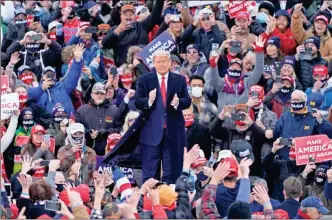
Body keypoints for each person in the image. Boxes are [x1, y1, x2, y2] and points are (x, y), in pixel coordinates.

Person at [134, 50, 191, 184]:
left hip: (173, 133)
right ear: (153, 63)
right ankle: (148, 201)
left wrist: (179, 102)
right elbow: (137, 102)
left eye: (164, 61)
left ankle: (170, 201)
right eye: (158, 62)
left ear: (170, 63)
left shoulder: (180, 79)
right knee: (149, 174)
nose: (161, 64)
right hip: (151, 133)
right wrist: (148, 100)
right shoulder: (144, 80)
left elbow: (187, 100)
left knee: (171, 174)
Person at [204, 36, 265, 112]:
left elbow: (258, 71)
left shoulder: (247, 82)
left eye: (237, 67)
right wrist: (213, 66)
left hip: (242, 120)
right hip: (223, 121)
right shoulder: (222, 83)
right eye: (233, 67)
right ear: (228, 69)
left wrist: (259, 52)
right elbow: (213, 79)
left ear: (241, 70)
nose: (235, 69)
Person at [75, 82, 132, 156]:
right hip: (87, 154)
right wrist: (88, 132)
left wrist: (103, 132)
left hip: (109, 152)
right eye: (97, 93)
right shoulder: (81, 110)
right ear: (92, 94)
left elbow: (120, 128)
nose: (99, 95)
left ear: (105, 95)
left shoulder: (114, 110)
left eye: (102, 93)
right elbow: (76, 129)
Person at [273, 90, 332, 160]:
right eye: (293, 99)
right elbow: (276, 136)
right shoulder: (285, 116)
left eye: (297, 100)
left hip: (306, 159)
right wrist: (289, 142)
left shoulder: (313, 115)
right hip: (286, 158)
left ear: (304, 102)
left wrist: (321, 121)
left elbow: (328, 135)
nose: (295, 102)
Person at [102, 1, 165, 66]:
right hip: (124, 69)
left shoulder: (142, 26)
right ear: (121, 16)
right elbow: (104, 44)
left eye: (131, 15)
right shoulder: (114, 29)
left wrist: (159, 2)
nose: (128, 17)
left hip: (143, 65)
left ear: (135, 16)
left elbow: (155, 15)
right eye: (125, 15)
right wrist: (118, 30)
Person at [209, 104, 266, 177]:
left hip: (251, 173)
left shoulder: (254, 131)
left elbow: (263, 137)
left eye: (243, 115)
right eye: (238, 115)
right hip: (231, 172)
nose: (241, 117)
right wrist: (221, 116)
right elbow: (212, 130)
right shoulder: (228, 131)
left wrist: (251, 123)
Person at [27, 44, 85, 115]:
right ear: (42, 77)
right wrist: (41, 88)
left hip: (66, 120)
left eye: (51, 74)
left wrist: (77, 60)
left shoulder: (63, 86)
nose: (49, 76)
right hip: (48, 123)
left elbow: (73, 76)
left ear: (55, 76)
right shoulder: (38, 90)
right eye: (47, 74)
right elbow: (29, 94)